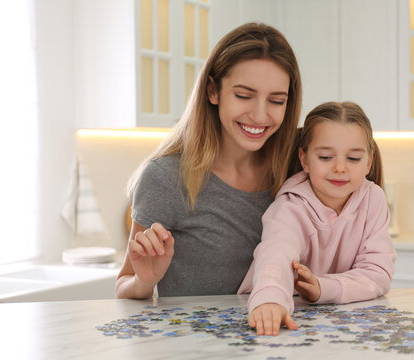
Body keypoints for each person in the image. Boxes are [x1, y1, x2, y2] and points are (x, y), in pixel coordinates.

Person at [115, 23, 302, 299]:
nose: (260, 115)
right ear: (213, 90)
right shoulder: (165, 178)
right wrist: (145, 281)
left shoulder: (296, 170)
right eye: (243, 95)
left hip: (283, 338)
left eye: (276, 100)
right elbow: (125, 285)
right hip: (194, 342)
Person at [238, 101, 396, 336]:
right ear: (304, 160)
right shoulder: (290, 207)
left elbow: (377, 273)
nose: (340, 168)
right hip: (273, 311)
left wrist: (324, 288)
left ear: (368, 162)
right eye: (325, 157)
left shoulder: (374, 199)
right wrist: (270, 300)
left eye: (353, 158)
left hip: (342, 323)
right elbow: (275, 255)